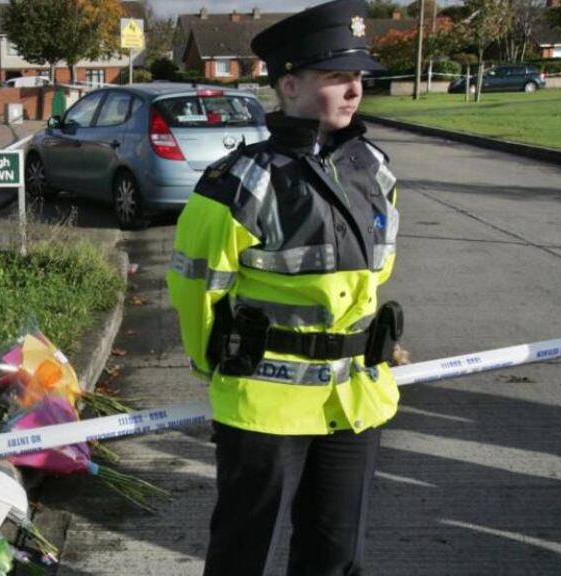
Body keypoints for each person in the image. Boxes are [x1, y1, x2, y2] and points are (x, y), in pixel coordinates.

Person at [166, 1, 408, 574]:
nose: (353, 90)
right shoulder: (240, 182)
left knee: (336, 554)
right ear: (290, 85)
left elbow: (374, 278)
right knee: (243, 554)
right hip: (267, 407)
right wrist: (216, 364)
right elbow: (194, 287)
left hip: (353, 401)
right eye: (334, 78)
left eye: (356, 77)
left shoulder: (374, 170)